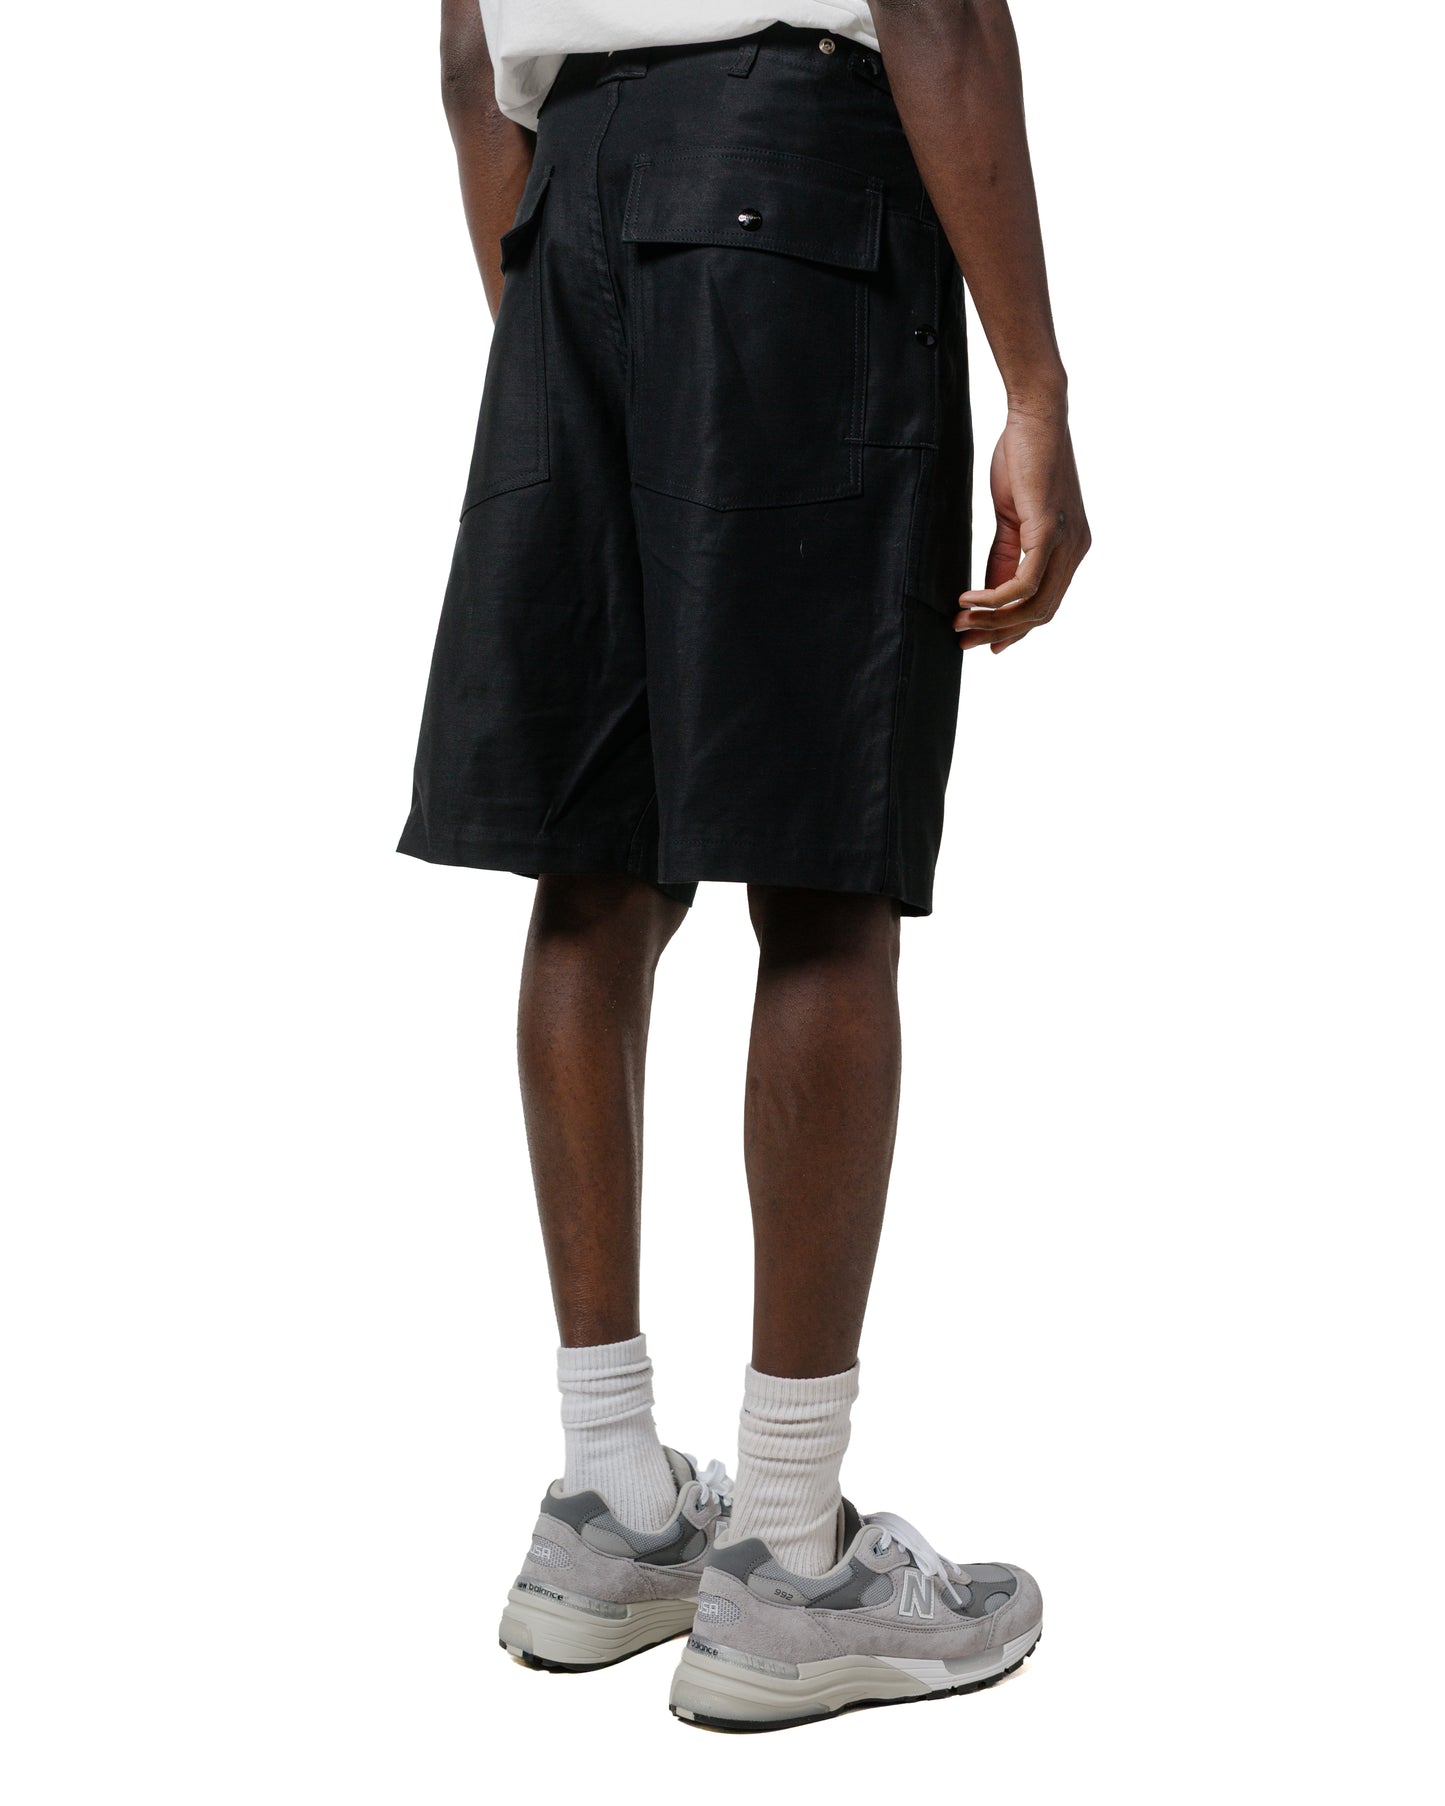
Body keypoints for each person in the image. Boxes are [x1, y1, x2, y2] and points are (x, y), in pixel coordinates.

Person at [399, 0, 1089, 1731]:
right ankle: (788, 1548)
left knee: (596, 867)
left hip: (562, 207)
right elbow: (933, 10)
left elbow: (467, 55)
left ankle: (610, 1503)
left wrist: (566, 303)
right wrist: (1035, 384)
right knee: (822, 879)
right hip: (794, 187)